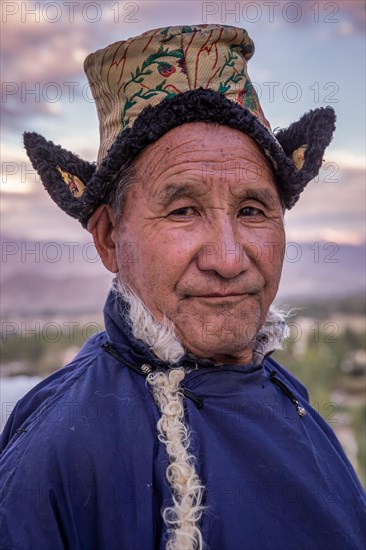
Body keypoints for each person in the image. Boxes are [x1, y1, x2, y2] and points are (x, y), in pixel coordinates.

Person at [0, 24, 365, 550]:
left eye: (251, 210)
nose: (227, 258)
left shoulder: (295, 403)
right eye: (183, 210)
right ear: (108, 238)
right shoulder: (59, 453)